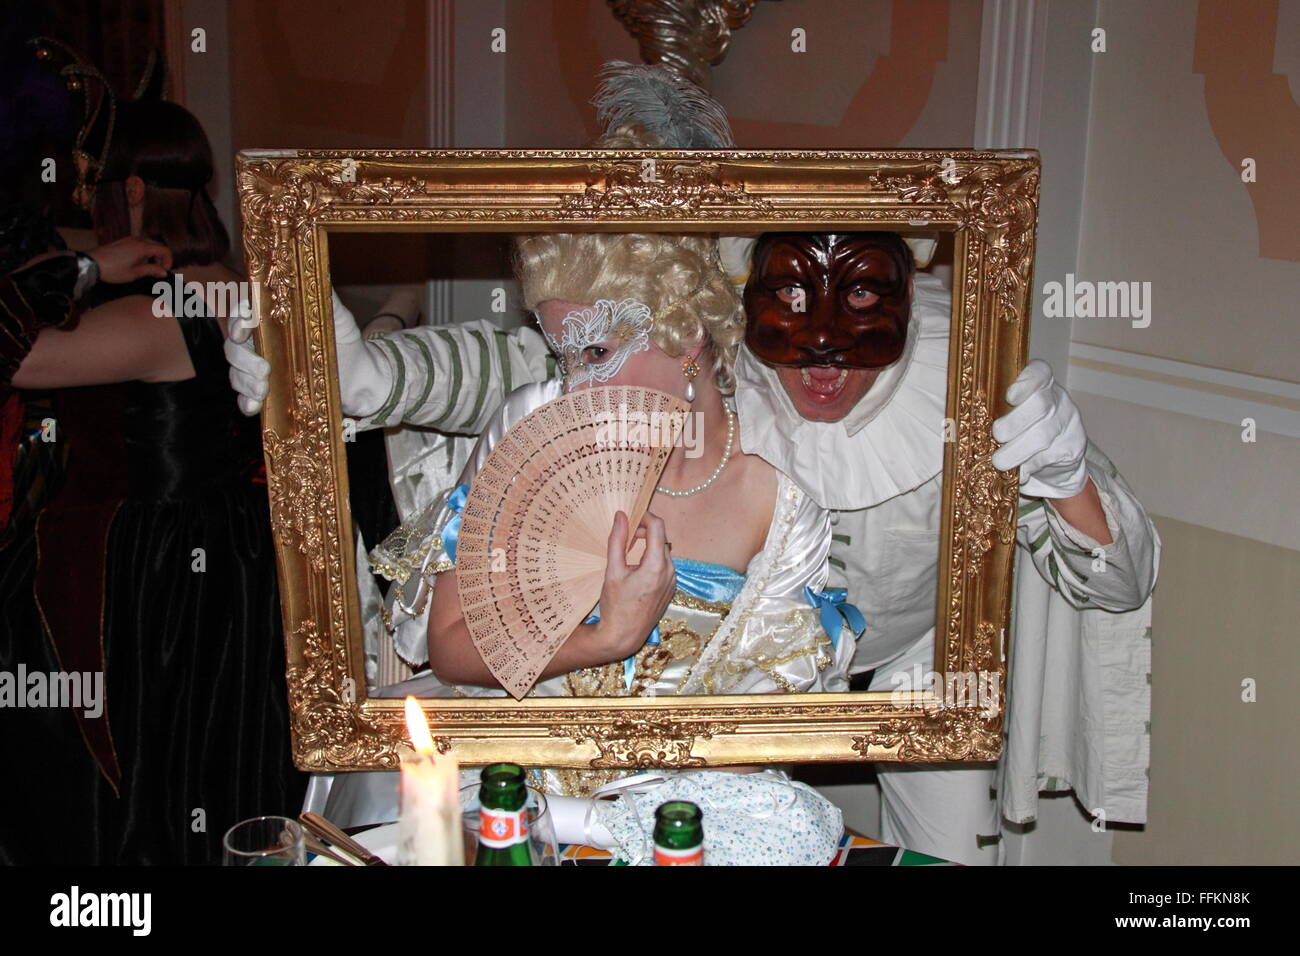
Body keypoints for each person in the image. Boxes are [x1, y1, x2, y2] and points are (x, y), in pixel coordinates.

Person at [226, 63, 1159, 864]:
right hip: (637, 735)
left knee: (938, 852)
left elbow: (1115, 578)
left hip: (910, 655)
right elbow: (512, 369)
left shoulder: (967, 385)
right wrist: (357, 374)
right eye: (794, 312)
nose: (818, 360)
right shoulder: (658, 380)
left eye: (858, 309)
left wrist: (1068, 475)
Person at [0, 95, 304, 864]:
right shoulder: (235, 279)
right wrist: (86, 256)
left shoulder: (150, 319)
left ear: (131, 193)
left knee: (138, 765)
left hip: (142, 573)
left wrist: (85, 267)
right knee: (211, 748)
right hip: (235, 553)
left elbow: (10, 352)